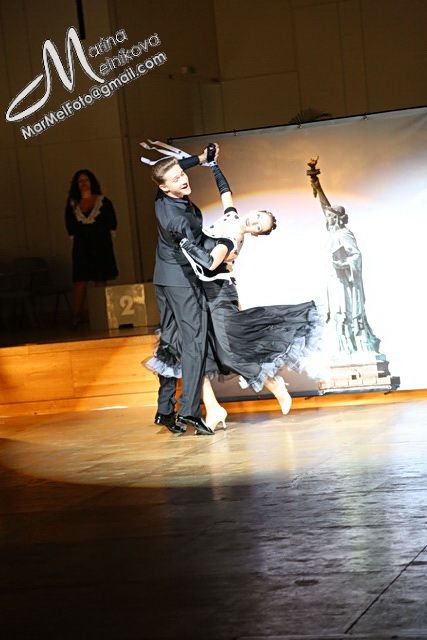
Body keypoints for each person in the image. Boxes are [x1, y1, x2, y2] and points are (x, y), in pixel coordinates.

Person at [148, 162, 324, 429]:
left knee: (226, 353)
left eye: (259, 226)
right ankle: (212, 409)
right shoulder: (231, 217)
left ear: (255, 234)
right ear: (253, 210)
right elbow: (225, 192)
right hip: (200, 290)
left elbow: (209, 263)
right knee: (198, 349)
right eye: (258, 216)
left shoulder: (231, 241)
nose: (254, 222)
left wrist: (183, 242)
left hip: (218, 295)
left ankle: (271, 382)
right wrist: (213, 165)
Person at [150, 146, 221, 436]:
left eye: (182, 173)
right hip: (181, 282)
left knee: (170, 341)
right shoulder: (175, 219)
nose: (183, 179)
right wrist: (222, 252)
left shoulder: (162, 197)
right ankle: (190, 410)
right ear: (163, 187)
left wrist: (201, 159)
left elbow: (174, 166)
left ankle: (165, 409)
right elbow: (196, 253)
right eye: (176, 178)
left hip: (163, 277)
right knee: (193, 344)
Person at [307, 157, 380, 357]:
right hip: (335, 280)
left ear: (338, 218)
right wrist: (316, 183)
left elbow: (356, 255)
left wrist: (343, 264)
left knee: (345, 312)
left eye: (332, 216)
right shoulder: (333, 232)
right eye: (328, 216)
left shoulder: (344, 234)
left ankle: (354, 346)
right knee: (336, 313)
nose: (328, 217)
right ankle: (344, 348)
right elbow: (325, 206)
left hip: (346, 282)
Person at [65, 170, 118, 329]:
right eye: (80, 180)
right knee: (80, 280)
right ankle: (76, 316)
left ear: (92, 182)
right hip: (81, 246)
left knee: (100, 278)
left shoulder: (104, 201)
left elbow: (112, 223)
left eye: (86, 180)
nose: (83, 183)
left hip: (101, 245)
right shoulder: (72, 204)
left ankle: (100, 315)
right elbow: (70, 227)